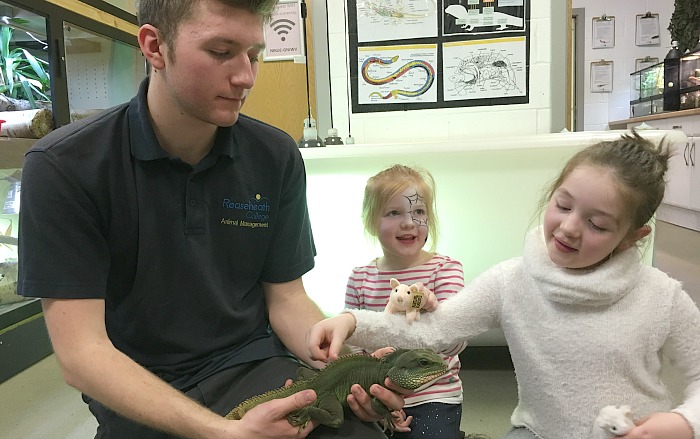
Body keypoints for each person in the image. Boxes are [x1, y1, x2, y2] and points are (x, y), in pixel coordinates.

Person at [17, 1, 404, 438]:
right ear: (154, 47)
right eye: (221, 52)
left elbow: (287, 299)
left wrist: (347, 373)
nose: (246, 77)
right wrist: (223, 432)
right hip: (138, 385)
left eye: (253, 55)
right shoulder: (64, 167)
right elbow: (83, 354)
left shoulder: (274, 157)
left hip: (252, 365)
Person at [307, 131, 700, 439]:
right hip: (536, 431)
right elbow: (436, 330)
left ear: (633, 236)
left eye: (597, 224)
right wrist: (353, 322)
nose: (568, 228)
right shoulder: (511, 280)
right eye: (563, 205)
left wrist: (684, 423)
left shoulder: (662, 297)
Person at [344, 165, 467, 438]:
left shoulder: (445, 270)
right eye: (394, 212)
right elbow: (353, 347)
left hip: (433, 396)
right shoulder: (360, 278)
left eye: (419, 212)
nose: (409, 222)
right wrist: (381, 400)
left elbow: (456, 339)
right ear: (370, 222)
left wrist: (435, 311)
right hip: (376, 395)